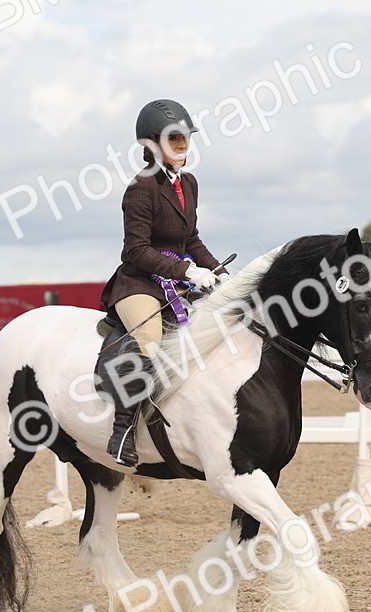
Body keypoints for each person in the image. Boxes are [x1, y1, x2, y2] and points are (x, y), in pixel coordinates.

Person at [97, 98, 231, 466]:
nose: (183, 146)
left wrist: (219, 273)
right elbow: (136, 250)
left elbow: (191, 240)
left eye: (185, 138)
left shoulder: (188, 183)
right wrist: (187, 272)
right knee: (151, 340)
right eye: (175, 139)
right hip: (138, 284)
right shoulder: (141, 188)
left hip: (177, 284)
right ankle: (122, 431)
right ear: (151, 144)